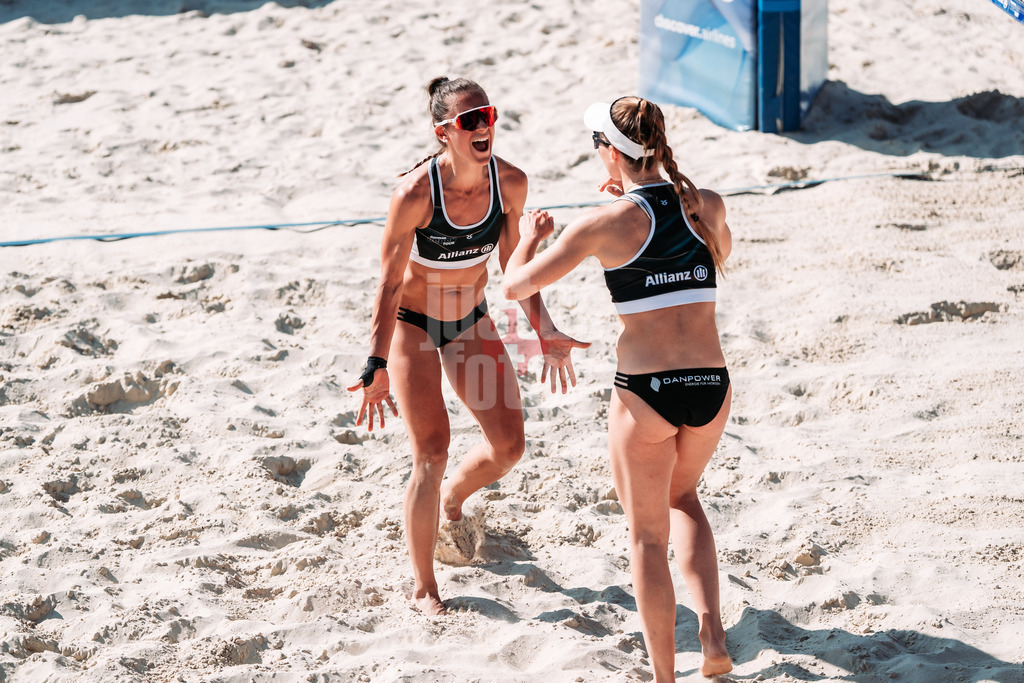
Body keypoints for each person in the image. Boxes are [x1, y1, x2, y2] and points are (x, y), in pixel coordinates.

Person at [502, 96, 733, 679]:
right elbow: (719, 255)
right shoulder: (704, 205)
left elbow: (513, 285)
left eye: (596, 145)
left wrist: (529, 237)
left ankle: (663, 677)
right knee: (685, 499)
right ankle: (712, 635)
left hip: (647, 389)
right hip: (712, 385)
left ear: (611, 152)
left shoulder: (604, 225)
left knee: (647, 538)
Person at [347, 76, 589, 616]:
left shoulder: (510, 183)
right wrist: (375, 363)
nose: (483, 127)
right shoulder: (414, 194)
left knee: (509, 447)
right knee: (430, 451)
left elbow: (514, 268)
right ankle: (425, 587)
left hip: (470, 323)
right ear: (443, 133)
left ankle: (454, 500)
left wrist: (544, 329)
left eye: (488, 115)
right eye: (468, 121)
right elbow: (387, 284)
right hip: (413, 327)